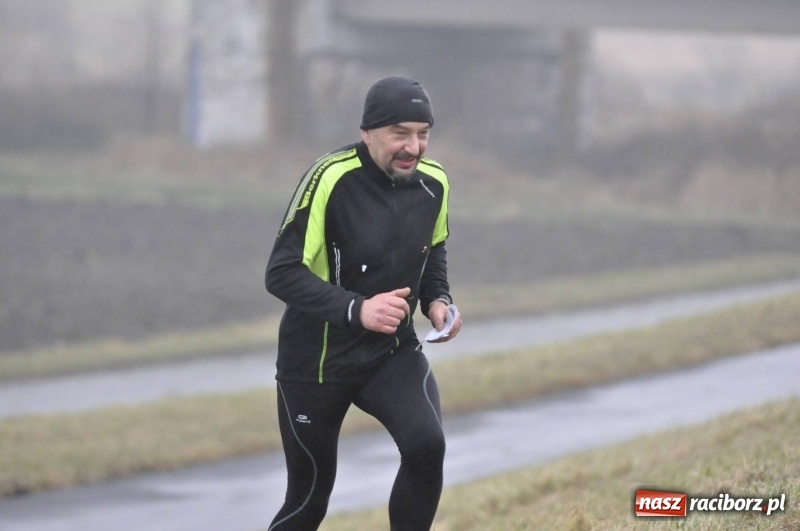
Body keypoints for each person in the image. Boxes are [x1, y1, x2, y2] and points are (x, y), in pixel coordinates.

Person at [264, 75, 462, 530]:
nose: (414, 147)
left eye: (423, 133)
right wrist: (358, 309)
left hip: (389, 352)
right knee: (309, 498)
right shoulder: (330, 178)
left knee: (426, 445)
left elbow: (432, 253)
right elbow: (280, 273)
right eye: (400, 134)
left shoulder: (435, 183)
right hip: (316, 359)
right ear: (367, 132)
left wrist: (438, 301)